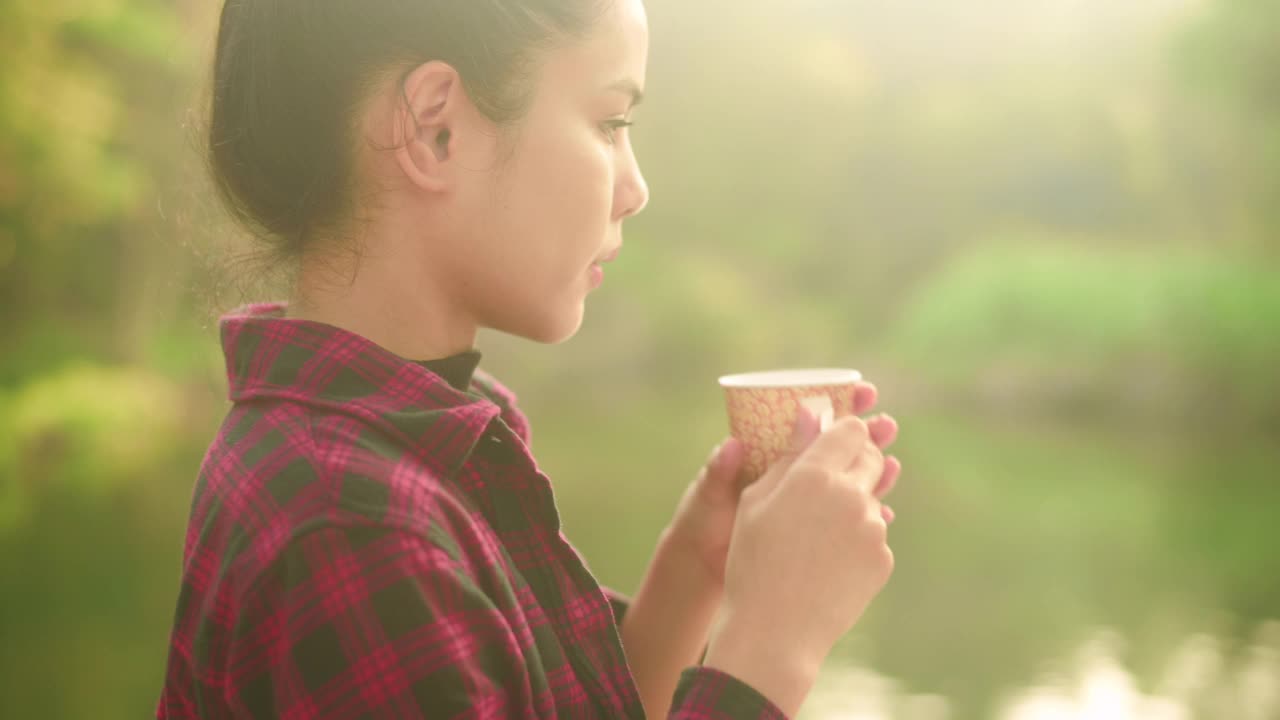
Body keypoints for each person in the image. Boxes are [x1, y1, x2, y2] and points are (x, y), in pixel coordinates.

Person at [157, 0, 902, 717]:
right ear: (434, 128)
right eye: (610, 121)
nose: (636, 189)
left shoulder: (406, 448)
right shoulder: (353, 524)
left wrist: (698, 569)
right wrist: (771, 646)